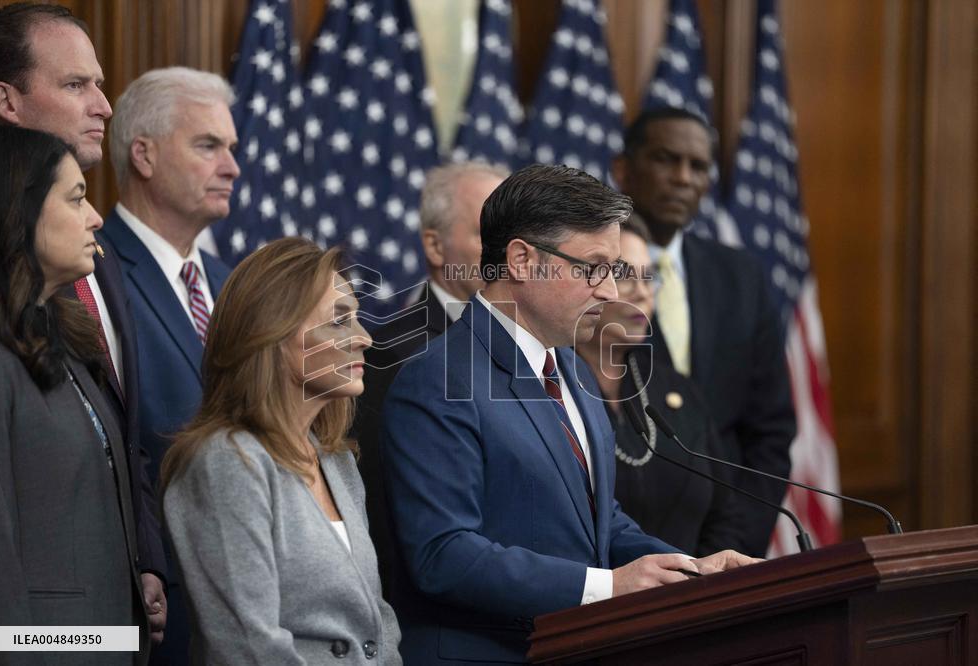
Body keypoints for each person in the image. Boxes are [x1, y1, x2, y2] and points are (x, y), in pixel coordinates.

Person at [380, 164, 758, 664]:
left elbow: (599, 523)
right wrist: (608, 586)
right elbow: (444, 555)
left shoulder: (572, 371)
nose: (610, 292)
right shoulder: (438, 378)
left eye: (614, 270)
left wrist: (692, 570)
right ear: (521, 260)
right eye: (592, 269)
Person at [0, 2, 167, 643]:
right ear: (6, 100)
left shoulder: (93, 266)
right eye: (76, 84)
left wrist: (144, 561)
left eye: (101, 83)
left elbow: (116, 436)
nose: (104, 105)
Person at [161, 238, 400, 664]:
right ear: (273, 331)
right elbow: (245, 647)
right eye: (339, 321)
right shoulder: (227, 461)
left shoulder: (338, 462)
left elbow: (378, 622)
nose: (363, 338)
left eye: (357, 320)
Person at [98, 65, 239, 664]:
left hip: (248, 597)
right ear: (144, 155)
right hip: (157, 607)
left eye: (231, 149)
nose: (231, 167)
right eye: (208, 146)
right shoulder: (91, 272)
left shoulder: (235, 285)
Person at [612, 106, 796, 556]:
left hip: (726, 542)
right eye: (664, 159)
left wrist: (735, 550)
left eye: (698, 167)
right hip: (622, 545)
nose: (683, 178)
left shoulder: (741, 276)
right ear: (623, 169)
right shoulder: (584, 275)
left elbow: (769, 430)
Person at [357, 161, 507, 595]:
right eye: (486, 235)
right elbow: (384, 511)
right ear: (435, 247)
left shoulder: (544, 350)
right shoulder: (390, 356)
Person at [575, 220, 748, 555]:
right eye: (625, 276)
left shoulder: (677, 390)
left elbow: (725, 513)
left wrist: (701, 582)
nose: (642, 292)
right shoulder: (547, 386)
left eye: (649, 276)